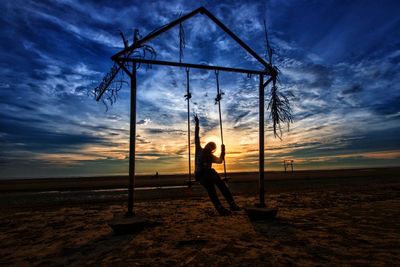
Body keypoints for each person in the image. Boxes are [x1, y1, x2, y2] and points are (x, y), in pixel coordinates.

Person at [194, 114, 240, 216]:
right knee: (211, 188)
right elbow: (196, 137)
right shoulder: (199, 150)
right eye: (209, 145)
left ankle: (232, 204)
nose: (209, 147)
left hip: (208, 175)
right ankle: (220, 208)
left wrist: (223, 152)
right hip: (200, 175)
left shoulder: (210, 156)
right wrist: (197, 125)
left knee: (222, 185)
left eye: (211, 147)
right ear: (206, 145)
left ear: (212, 150)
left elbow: (220, 161)